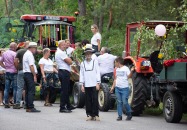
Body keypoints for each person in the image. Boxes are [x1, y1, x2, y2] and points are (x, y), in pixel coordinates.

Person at [79, 47, 101, 121]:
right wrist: (82, 84)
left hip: (94, 83)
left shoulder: (95, 62)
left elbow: (98, 72)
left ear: (91, 54)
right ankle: (89, 114)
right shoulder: (82, 63)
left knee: (95, 99)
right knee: (87, 100)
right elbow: (81, 74)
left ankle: (96, 114)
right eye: (87, 53)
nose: (88, 55)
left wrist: (98, 83)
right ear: (85, 54)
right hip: (87, 84)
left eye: (89, 53)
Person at [110, 57, 134, 121]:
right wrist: (113, 87)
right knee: (119, 102)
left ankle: (129, 113)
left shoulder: (126, 68)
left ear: (118, 62)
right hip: (118, 88)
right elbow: (115, 79)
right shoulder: (116, 69)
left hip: (124, 88)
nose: (115, 64)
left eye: (115, 62)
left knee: (125, 102)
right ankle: (119, 116)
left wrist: (131, 71)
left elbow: (129, 76)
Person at [55, 40, 75, 113]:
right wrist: (70, 60)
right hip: (64, 71)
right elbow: (70, 62)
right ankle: (62, 107)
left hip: (63, 71)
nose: (65, 46)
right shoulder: (61, 53)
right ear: (60, 45)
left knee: (66, 89)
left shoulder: (60, 52)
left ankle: (68, 105)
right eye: (63, 45)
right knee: (64, 90)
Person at [23, 42, 40, 112]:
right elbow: (31, 66)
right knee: (31, 91)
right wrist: (34, 75)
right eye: (35, 48)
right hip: (29, 73)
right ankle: (30, 106)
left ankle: (27, 106)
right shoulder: (30, 54)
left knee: (27, 91)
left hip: (26, 73)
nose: (36, 50)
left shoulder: (26, 53)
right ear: (32, 48)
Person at [0, 42, 18, 108]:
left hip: (7, 72)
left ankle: (6, 103)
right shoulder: (14, 53)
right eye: (16, 47)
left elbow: (0, 62)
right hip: (14, 72)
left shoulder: (4, 53)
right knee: (15, 88)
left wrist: (5, 67)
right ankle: (15, 103)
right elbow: (15, 62)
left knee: (6, 88)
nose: (16, 48)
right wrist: (17, 69)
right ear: (14, 47)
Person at [13, 41, 30, 109]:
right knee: (27, 88)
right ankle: (26, 103)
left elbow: (15, 61)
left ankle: (17, 103)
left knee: (19, 87)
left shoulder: (19, 51)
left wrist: (18, 68)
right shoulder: (30, 52)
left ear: (24, 45)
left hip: (21, 70)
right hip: (28, 71)